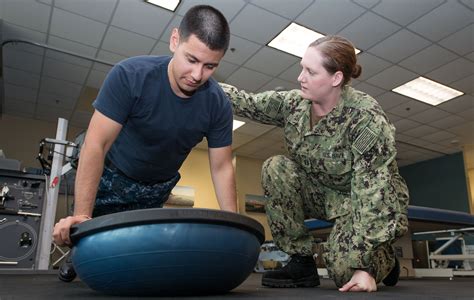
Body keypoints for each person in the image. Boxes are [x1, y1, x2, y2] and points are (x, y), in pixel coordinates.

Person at [52, 5, 236, 282]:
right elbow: (95, 145)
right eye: (191, 59)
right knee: (91, 249)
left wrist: (232, 227)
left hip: (156, 187)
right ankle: (80, 260)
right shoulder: (130, 75)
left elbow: (222, 168)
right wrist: (82, 214)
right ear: (175, 40)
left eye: (210, 66)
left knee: (134, 256)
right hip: (111, 176)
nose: (198, 75)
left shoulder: (217, 104)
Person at [220, 35, 409, 292]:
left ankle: (383, 258)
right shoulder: (294, 104)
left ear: (336, 78)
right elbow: (248, 103)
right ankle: (301, 262)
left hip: (360, 199)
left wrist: (365, 266)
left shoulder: (365, 117)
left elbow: (373, 191)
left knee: (344, 273)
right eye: (302, 68)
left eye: (310, 71)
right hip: (321, 191)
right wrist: (200, 82)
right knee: (276, 167)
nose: (300, 77)